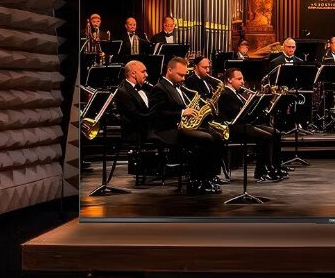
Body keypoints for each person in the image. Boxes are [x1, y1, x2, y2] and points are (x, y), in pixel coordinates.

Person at [148, 56, 224, 194]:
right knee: (205, 138)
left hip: (181, 127)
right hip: (167, 129)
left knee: (216, 136)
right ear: (169, 70)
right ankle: (196, 181)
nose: (183, 78)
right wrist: (183, 112)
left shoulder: (180, 87)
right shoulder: (159, 88)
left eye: (184, 75)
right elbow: (156, 114)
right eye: (180, 75)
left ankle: (209, 177)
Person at [218, 68, 286, 182]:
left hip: (243, 125)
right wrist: (250, 103)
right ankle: (261, 171)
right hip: (233, 128)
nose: (242, 82)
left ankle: (275, 166)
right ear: (229, 80)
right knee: (266, 136)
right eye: (239, 79)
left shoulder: (236, 93)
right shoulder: (225, 94)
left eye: (242, 79)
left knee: (275, 132)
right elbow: (236, 113)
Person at [114, 60, 151, 141]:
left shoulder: (145, 89)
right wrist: (158, 117)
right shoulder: (123, 92)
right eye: (143, 72)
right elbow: (135, 116)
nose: (146, 75)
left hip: (146, 135)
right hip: (135, 139)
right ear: (133, 74)